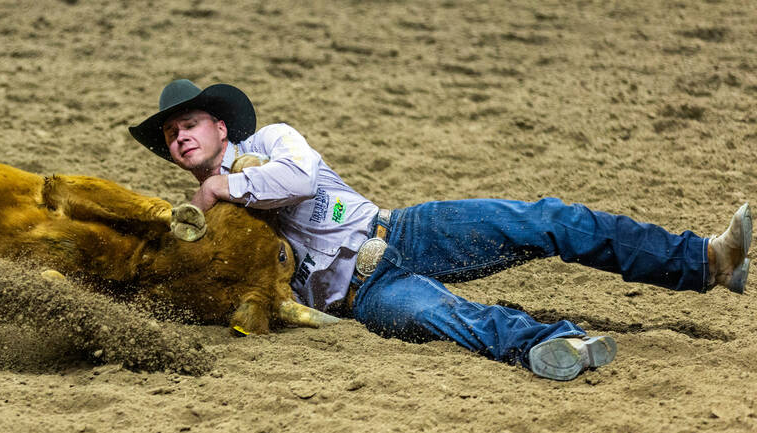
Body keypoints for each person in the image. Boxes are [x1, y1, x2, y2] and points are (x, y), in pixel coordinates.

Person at [128, 79, 753, 381]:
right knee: (448, 318)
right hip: (359, 295)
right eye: (171, 133)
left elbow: (299, 177)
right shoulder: (197, 221)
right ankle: (555, 346)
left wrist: (223, 187)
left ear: (219, 127)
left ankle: (703, 261)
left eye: (191, 124)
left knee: (542, 219)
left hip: (400, 231)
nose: (181, 136)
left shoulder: (270, 143)